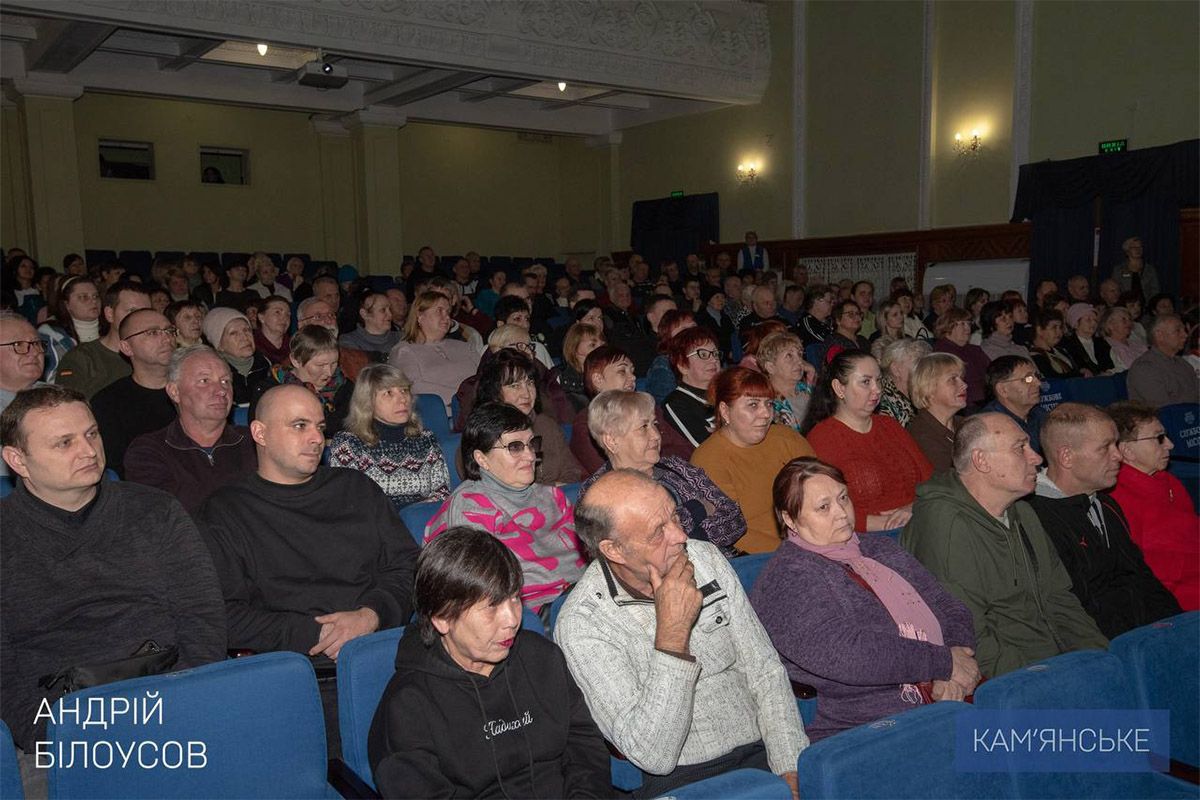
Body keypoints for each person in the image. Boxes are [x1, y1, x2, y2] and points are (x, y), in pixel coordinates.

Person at [1, 385, 226, 763]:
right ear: (17, 460)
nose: (88, 451)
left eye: (91, 434)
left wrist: (184, 708)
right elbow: (4, 671)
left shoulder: (155, 510)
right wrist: (57, 742)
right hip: (62, 726)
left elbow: (202, 618)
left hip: (171, 699)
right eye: (64, 443)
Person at [556, 470, 807, 798]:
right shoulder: (584, 623)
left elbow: (766, 671)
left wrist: (789, 764)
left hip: (762, 751)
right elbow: (653, 754)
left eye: (674, 516)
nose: (679, 536)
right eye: (657, 532)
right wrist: (672, 635)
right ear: (614, 550)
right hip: (681, 779)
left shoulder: (705, 559)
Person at [197, 384, 419, 752]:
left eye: (319, 426)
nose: (317, 438)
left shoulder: (356, 488)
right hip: (302, 678)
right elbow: (225, 614)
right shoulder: (225, 511)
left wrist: (371, 614)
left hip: (386, 655)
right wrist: (319, 635)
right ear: (260, 433)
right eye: (300, 426)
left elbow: (408, 565)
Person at [367, 527, 610, 799]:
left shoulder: (542, 657)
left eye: (515, 597)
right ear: (442, 617)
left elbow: (585, 748)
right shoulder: (409, 704)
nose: (512, 619)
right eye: (492, 606)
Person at [751, 457, 978, 741]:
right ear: (789, 519)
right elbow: (846, 653)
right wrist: (942, 663)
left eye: (843, 498)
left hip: (946, 691)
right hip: (871, 723)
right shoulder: (786, 578)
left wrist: (957, 661)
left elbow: (948, 605)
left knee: (1037, 745)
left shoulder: (878, 548)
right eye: (824, 507)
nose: (842, 513)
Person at [901, 414, 1108, 677]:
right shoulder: (946, 526)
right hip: (1016, 684)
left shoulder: (1023, 513)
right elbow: (972, 639)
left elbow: (1060, 599)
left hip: (1057, 668)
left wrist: (1099, 657)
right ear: (981, 461)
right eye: (1020, 447)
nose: (1036, 458)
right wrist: (1047, 682)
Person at [1025, 403, 1181, 638]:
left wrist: (1178, 626)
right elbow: (1072, 610)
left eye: (1116, 444)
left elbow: (1142, 578)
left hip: (1143, 636)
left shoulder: (1106, 505)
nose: (1118, 455)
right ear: (1067, 456)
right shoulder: (1036, 519)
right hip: (1103, 649)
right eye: (1104, 448)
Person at [425, 403, 584, 617]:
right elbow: (478, 594)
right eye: (515, 447)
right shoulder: (469, 510)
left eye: (531, 444)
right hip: (529, 614)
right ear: (482, 459)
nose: (530, 456)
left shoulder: (552, 497)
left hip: (584, 596)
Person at [584, 389, 747, 557]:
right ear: (612, 440)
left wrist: (683, 534)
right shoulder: (598, 493)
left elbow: (736, 519)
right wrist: (698, 508)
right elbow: (643, 551)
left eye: (654, 424)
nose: (656, 435)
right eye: (643, 427)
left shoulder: (677, 467)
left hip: (730, 563)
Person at [803, 352, 932, 532]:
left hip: (918, 521)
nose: (877, 389)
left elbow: (930, 481)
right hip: (866, 536)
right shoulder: (822, 438)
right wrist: (885, 524)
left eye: (878, 380)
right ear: (839, 388)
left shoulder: (889, 425)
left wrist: (911, 509)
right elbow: (825, 510)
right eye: (866, 382)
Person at [691, 367, 815, 553]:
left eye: (769, 404)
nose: (766, 414)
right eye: (753, 405)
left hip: (815, 541)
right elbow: (733, 534)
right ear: (725, 411)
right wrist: (794, 552)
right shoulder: (708, 461)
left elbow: (822, 491)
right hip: (760, 560)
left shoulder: (787, 438)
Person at [124, 345, 256, 513]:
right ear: (174, 392)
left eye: (225, 381)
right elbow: (165, 517)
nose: (221, 391)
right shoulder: (148, 452)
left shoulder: (254, 442)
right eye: (204, 381)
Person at [1108, 402, 1198, 610]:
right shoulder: (1117, 499)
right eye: (1159, 438)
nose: (1170, 444)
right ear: (1127, 451)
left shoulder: (1169, 481)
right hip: (1175, 598)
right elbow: (1147, 575)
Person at [329, 364, 449, 511]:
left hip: (421, 523)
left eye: (404, 391)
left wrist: (411, 515)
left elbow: (442, 493)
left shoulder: (426, 439)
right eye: (389, 393)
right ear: (368, 402)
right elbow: (349, 501)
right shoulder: (349, 444)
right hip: (374, 526)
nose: (402, 399)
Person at [570, 345, 692, 476]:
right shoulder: (586, 423)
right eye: (622, 371)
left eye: (632, 371)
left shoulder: (649, 410)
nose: (633, 377)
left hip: (675, 476)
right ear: (598, 380)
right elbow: (609, 473)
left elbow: (687, 450)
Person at [467, 349, 581, 485]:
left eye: (530, 383)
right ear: (495, 392)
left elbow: (573, 473)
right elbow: (500, 490)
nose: (526, 394)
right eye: (515, 386)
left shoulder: (546, 424)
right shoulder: (481, 436)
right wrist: (551, 488)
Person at [90, 309, 179, 477]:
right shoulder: (108, 403)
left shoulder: (195, 389)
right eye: (152, 333)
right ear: (126, 347)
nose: (167, 338)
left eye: (169, 331)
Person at [250, 325, 354, 436]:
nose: (329, 372)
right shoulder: (270, 391)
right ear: (295, 361)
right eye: (320, 365)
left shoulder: (345, 387)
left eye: (334, 364)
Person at [388, 291, 479, 413]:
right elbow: (414, 387)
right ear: (419, 316)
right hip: (442, 415)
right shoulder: (404, 351)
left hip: (481, 410)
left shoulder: (465, 347)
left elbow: (485, 377)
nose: (446, 317)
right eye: (439, 311)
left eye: (448, 312)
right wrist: (466, 398)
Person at [56, 280, 150, 399]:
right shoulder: (82, 358)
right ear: (110, 314)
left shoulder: (154, 355)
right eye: (131, 311)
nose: (142, 319)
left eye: (146, 312)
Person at [905, 353, 967, 473]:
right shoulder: (921, 437)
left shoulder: (965, 424)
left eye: (962, 378)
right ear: (928, 389)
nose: (964, 385)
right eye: (953, 379)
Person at [662, 326, 722, 448]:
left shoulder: (729, 391)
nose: (714, 360)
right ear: (682, 365)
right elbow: (708, 447)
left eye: (715, 353)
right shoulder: (676, 403)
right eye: (703, 354)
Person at [37, 275, 101, 381]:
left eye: (96, 296)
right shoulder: (50, 333)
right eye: (83, 297)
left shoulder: (111, 329)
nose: (93, 301)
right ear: (67, 305)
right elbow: (52, 378)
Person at [1126, 313, 1198, 407]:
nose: (1185, 335)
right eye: (1178, 331)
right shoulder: (1145, 368)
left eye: (1184, 330)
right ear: (1159, 335)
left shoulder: (1183, 364)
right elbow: (1163, 409)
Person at [981, 355, 1048, 455]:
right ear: (1003, 390)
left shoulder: (1039, 413)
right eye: (1028, 379)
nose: (1038, 383)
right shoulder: (990, 426)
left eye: (1037, 376)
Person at [203, 307, 271, 405]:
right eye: (233, 333)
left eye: (247, 330)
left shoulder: (266, 365)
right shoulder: (213, 375)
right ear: (219, 345)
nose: (244, 337)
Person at [931, 308, 991, 406]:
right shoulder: (941, 353)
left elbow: (992, 373)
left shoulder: (975, 350)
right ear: (948, 326)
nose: (968, 328)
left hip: (985, 400)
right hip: (964, 405)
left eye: (968, 323)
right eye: (962, 324)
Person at [758, 331, 813, 433]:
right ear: (770, 367)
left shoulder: (808, 390)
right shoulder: (767, 404)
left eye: (800, 354)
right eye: (789, 356)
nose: (799, 361)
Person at [875, 338, 930, 427]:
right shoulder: (883, 404)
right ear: (896, 370)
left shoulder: (921, 393)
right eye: (917, 362)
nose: (924, 368)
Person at [550, 321, 603, 413]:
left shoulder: (608, 373)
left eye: (602, 345)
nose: (601, 350)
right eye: (592, 345)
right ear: (574, 348)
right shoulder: (559, 378)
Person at [338, 291, 401, 357]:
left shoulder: (401, 338)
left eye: (390, 309)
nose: (390, 315)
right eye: (383, 310)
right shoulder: (349, 340)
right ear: (364, 314)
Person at [1028, 308, 1086, 379]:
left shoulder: (1062, 352)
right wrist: (1079, 374)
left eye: (1060, 327)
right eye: (1054, 327)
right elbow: (1053, 379)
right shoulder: (1034, 356)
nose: (1059, 332)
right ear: (1039, 330)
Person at [1060, 303, 1113, 374]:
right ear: (1075, 324)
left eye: (1095, 320)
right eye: (1088, 320)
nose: (1093, 323)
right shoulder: (1068, 345)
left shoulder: (1101, 343)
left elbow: (1110, 365)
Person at [1099, 305, 1146, 372]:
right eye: (1123, 319)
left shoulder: (1138, 344)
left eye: (1130, 319)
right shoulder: (1104, 346)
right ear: (1110, 325)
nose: (1129, 323)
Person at [1111, 236, 1159, 301]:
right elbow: (1115, 290)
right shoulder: (1118, 270)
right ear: (1127, 251)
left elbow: (1155, 290)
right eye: (1134, 247)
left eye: (1140, 247)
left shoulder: (1150, 270)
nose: (1138, 250)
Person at [253, 295, 292, 365]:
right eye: (277, 312)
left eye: (288, 314)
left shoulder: (295, 346)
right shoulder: (252, 347)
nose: (284, 318)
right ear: (261, 317)